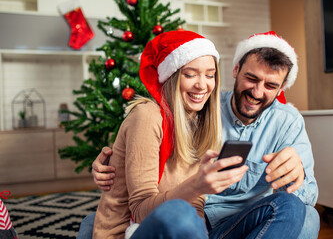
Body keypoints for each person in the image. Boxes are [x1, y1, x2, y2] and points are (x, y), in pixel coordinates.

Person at [80, 31, 314, 239]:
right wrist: (110, 160)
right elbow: (143, 183)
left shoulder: (285, 122)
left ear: (281, 89)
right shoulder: (201, 108)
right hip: (187, 218)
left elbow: (308, 195)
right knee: (97, 223)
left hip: (236, 220)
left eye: (270, 86)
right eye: (251, 78)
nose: (257, 91)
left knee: (301, 212)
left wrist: (296, 175)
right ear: (236, 70)